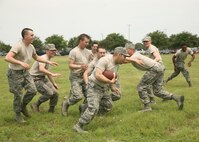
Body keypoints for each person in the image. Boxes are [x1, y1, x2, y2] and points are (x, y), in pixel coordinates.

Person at [5, 28, 58, 123]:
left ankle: (23, 106)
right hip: (14, 73)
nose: (33, 36)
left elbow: (36, 57)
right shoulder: (18, 46)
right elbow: (7, 57)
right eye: (32, 35)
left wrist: (48, 61)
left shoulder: (31, 46)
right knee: (18, 94)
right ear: (25, 36)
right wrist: (21, 63)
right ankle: (18, 115)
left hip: (25, 72)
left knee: (33, 90)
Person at [73, 47, 129, 133]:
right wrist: (110, 81)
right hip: (94, 87)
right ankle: (79, 125)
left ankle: (84, 107)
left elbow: (113, 76)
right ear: (119, 55)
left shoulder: (117, 64)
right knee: (94, 108)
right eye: (124, 57)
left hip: (104, 88)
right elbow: (98, 75)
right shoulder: (105, 60)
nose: (125, 59)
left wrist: (113, 87)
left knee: (108, 105)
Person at [125, 43, 184, 112]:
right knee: (157, 91)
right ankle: (177, 98)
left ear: (131, 49)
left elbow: (124, 60)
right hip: (159, 68)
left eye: (126, 50)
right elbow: (125, 61)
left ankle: (147, 107)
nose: (125, 52)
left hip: (154, 69)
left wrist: (119, 56)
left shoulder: (135, 55)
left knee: (141, 87)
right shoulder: (135, 55)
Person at [61, 34, 92, 116]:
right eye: (86, 42)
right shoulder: (74, 51)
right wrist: (80, 66)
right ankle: (66, 104)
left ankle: (83, 109)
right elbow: (70, 65)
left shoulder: (88, 52)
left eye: (88, 42)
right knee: (78, 96)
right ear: (80, 41)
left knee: (89, 95)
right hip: (75, 77)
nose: (87, 44)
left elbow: (92, 62)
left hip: (85, 76)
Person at [30, 44, 61, 113]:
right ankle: (35, 105)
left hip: (42, 78)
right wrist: (52, 74)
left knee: (55, 93)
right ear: (46, 51)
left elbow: (47, 72)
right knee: (49, 93)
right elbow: (41, 69)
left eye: (54, 50)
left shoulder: (49, 59)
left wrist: (54, 83)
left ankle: (51, 111)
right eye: (51, 50)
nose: (53, 52)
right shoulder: (44, 58)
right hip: (35, 79)